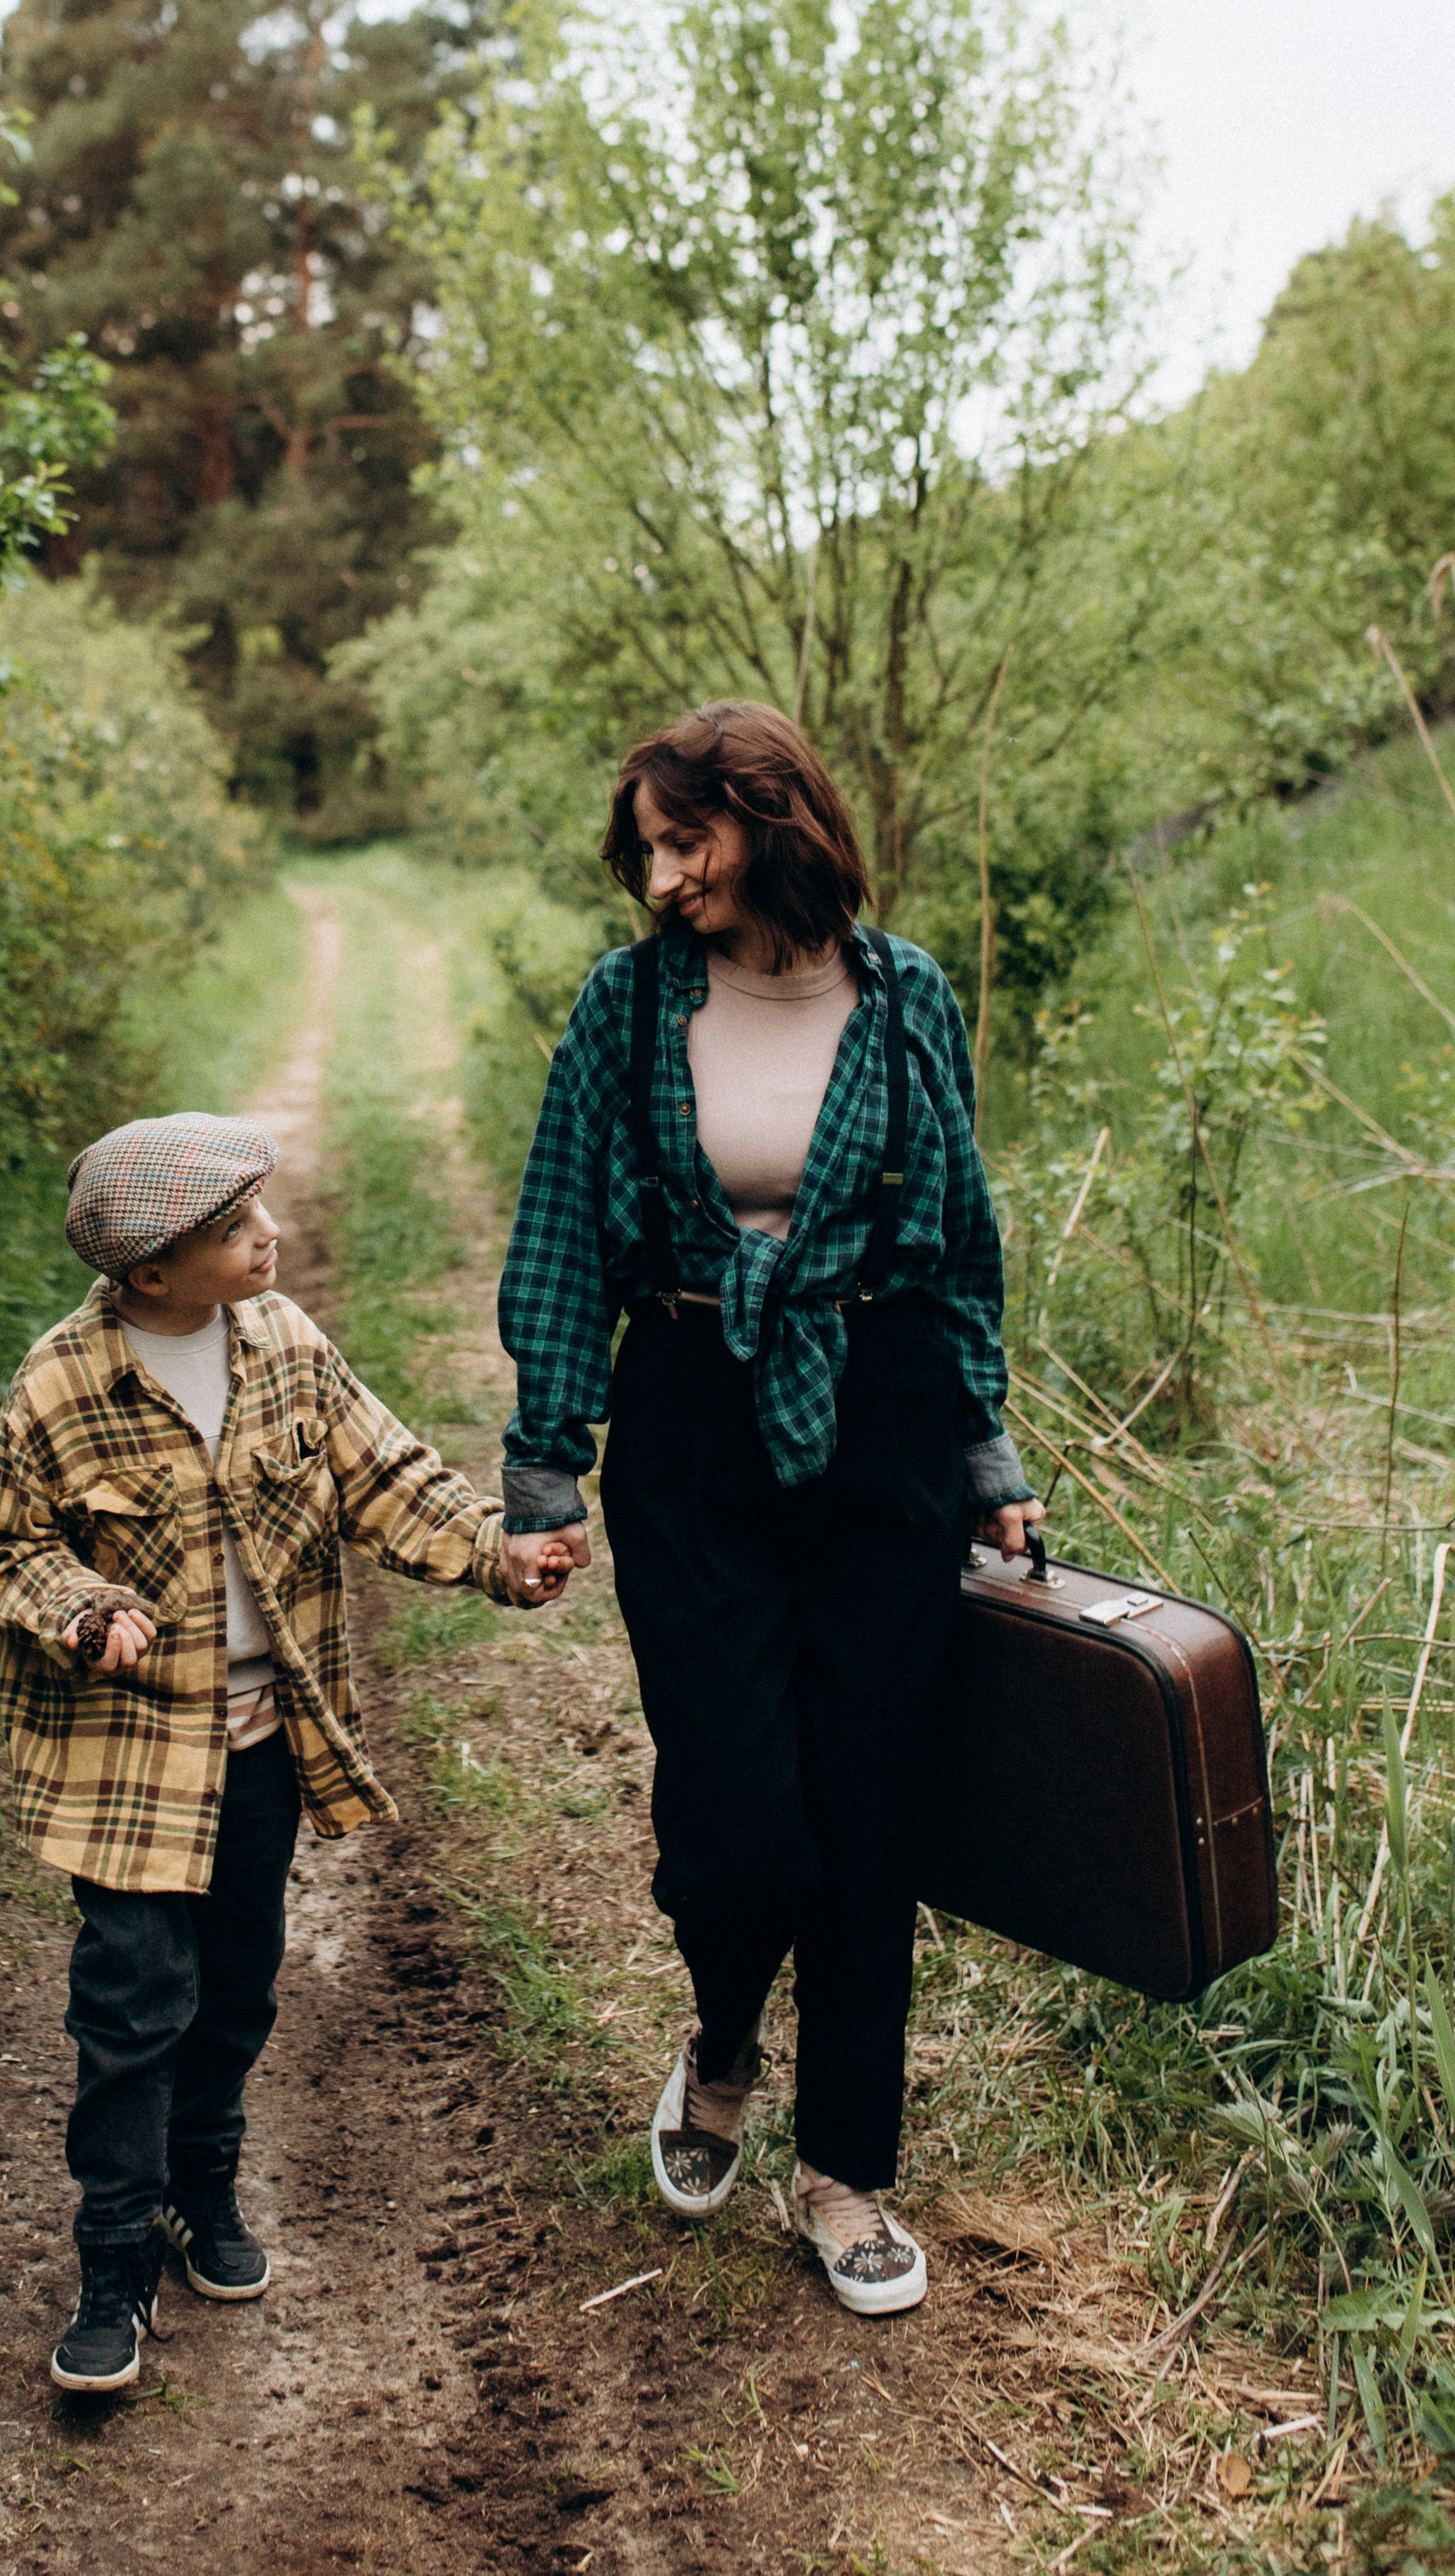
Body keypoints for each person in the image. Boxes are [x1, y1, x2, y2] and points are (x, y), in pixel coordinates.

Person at [495, 702, 1044, 2318]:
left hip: (879, 1424)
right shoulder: (627, 1006)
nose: (663, 877)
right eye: (649, 851)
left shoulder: (907, 992)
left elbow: (958, 1238)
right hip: (688, 1428)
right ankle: (723, 2034)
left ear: (774, 818)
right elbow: (556, 1233)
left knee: (870, 1817)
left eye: (688, 841)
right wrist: (547, 1458)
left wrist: (984, 1458)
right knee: (741, 1815)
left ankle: (845, 2173)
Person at [0, 1110, 581, 2395]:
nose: (270, 1239)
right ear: (148, 1273)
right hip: (128, 1755)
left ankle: (202, 2187)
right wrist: (83, 1607)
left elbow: (385, 1473)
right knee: (133, 2002)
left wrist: (492, 1551)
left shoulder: (284, 1344)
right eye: (237, 1231)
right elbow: (6, 1550)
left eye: (262, 1215)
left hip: (260, 1740)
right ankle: (115, 2260)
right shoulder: (62, 1384)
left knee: (239, 1979)